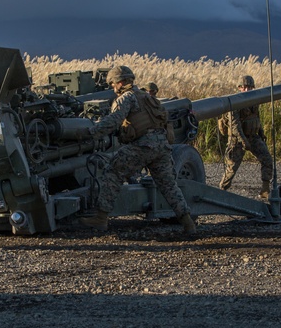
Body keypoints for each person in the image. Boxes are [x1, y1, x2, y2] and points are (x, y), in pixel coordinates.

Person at [79, 65, 196, 234]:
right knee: (169, 186)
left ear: (120, 82)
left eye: (113, 84)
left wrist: (91, 132)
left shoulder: (126, 98)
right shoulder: (148, 97)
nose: (113, 88)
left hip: (143, 146)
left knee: (113, 172)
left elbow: (114, 121)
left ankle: (101, 218)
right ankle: (188, 223)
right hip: (161, 146)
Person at [220, 75, 274, 198]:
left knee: (267, 160)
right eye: (244, 87)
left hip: (253, 137)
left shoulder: (254, 101)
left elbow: (257, 118)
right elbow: (235, 125)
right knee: (232, 167)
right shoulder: (235, 102)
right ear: (240, 88)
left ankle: (265, 190)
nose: (247, 90)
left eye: (249, 87)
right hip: (237, 140)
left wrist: (261, 133)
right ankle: (222, 191)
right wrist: (243, 141)